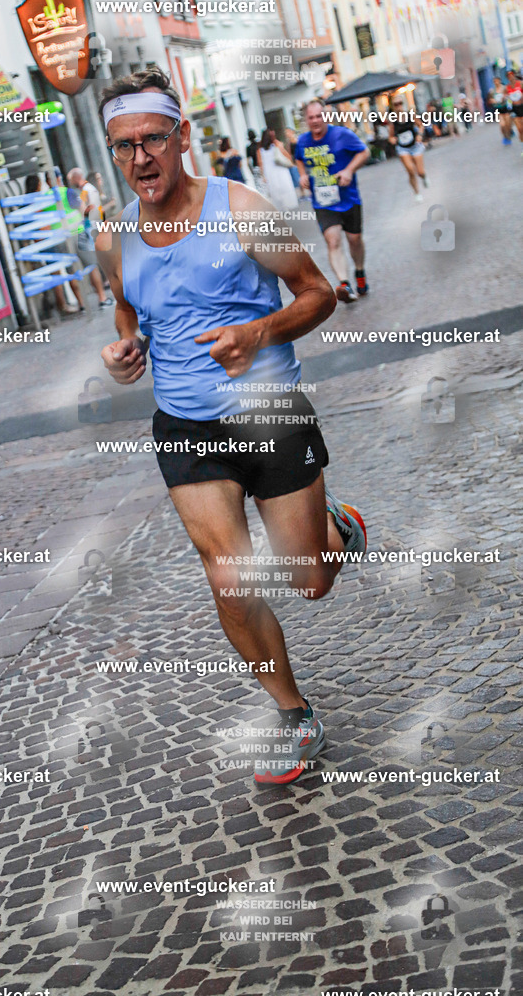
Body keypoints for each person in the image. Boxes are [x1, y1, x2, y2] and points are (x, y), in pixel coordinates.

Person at [95, 66, 368, 787]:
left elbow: (317, 294)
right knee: (228, 576)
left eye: (154, 139)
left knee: (309, 580)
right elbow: (127, 306)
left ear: (182, 136)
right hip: (185, 425)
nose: (140, 158)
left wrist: (259, 331)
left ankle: (334, 526)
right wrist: (127, 348)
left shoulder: (241, 209)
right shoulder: (113, 237)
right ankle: (293, 714)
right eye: (123, 145)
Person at [295, 99, 370, 303]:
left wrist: (349, 170)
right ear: (306, 120)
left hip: (348, 197)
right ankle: (344, 284)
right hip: (323, 202)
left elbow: (364, 152)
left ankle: (360, 271)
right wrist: (302, 175)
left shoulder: (341, 135)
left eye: (319, 116)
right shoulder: (303, 141)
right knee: (333, 241)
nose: (315, 121)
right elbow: (299, 158)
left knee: (354, 240)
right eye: (311, 117)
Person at [24, 172, 86, 315]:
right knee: (65, 271)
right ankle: (71, 304)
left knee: (55, 273)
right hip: (50, 239)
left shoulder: (27, 202)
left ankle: (63, 305)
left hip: (41, 242)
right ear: (38, 184)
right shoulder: (40, 200)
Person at [68, 168, 113, 308]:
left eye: (71, 180)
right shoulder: (87, 189)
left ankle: (107, 287)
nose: (70, 183)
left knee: (95, 262)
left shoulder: (86, 190)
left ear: (76, 178)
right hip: (93, 226)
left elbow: (86, 209)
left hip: (91, 228)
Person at [387, 97, 429, 201]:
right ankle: (417, 193)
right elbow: (390, 136)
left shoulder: (410, 115)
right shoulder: (392, 121)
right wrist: (392, 140)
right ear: (393, 107)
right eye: (396, 104)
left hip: (415, 146)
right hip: (403, 148)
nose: (398, 106)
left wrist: (419, 135)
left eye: (400, 103)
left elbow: (421, 125)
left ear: (403, 104)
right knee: (410, 170)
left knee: (420, 172)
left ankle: (424, 176)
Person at [256, 129, 299, 209]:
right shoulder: (276, 145)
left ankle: (281, 207)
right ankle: (287, 205)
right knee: (284, 187)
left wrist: (263, 175)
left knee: (275, 191)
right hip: (280, 170)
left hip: (270, 172)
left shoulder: (260, 150)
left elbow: (260, 163)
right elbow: (287, 156)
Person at [487, 78, 512, 144]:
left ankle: (509, 133)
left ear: (500, 81)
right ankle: (505, 137)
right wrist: (492, 101)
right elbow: (490, 100)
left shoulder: (505, 88)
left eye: (497, 81)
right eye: (494, 81)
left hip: (505, 107)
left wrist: (508, 103)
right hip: (498, 109)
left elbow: (509, 97)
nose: (496, 82)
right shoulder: (492, 91)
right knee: (502, 125)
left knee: (508, 124)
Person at [504, 69, 523, 153]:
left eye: (511, 75)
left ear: (514, 75)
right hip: (514, 109)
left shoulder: (521, 83)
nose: (510, 77)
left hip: (522, 106)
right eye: (508, 76)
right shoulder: (507, 87)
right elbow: (508, 99)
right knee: (520, 129)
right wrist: (508, 105)